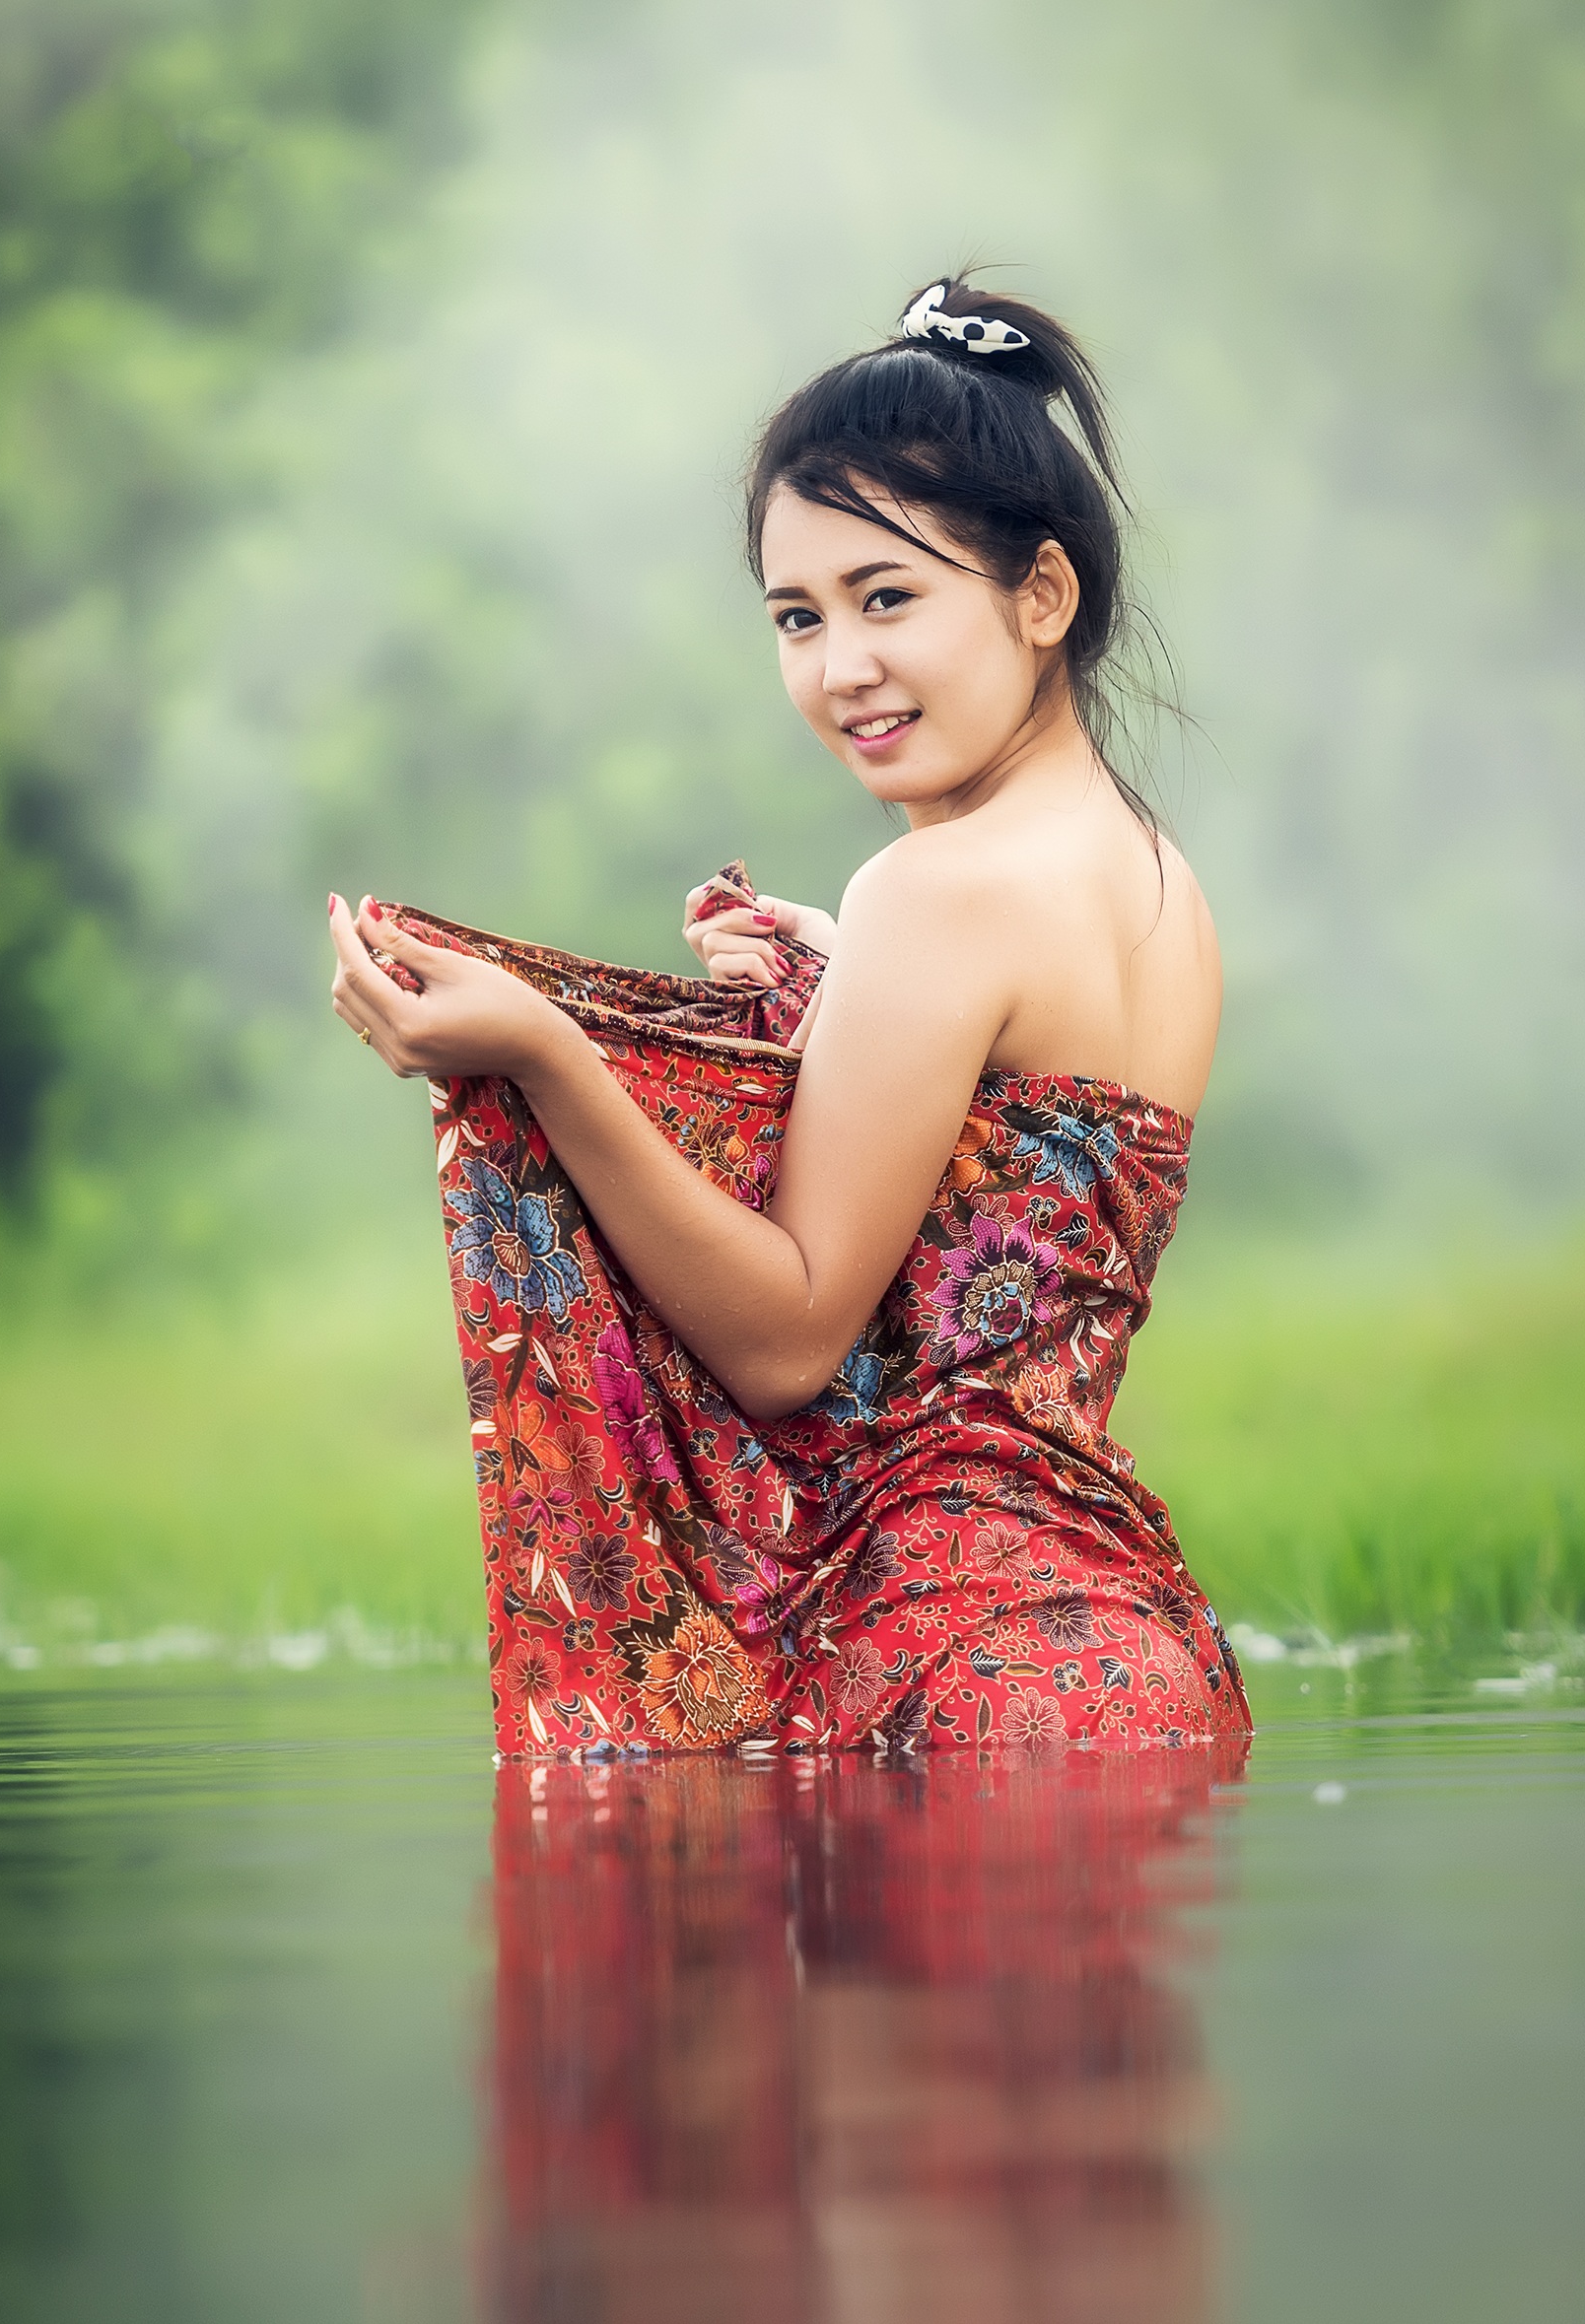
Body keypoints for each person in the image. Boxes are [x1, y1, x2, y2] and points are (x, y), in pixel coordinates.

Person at [324, 277, 1248, 1757]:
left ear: (1043, 595)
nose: (840, 670)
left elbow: (787, 1339)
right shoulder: (1155, 881)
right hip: (1134, 1661)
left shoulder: (934, 891)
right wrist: (840, 980)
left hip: (954, 1660)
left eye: (889, 599)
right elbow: (1016, 1161)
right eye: (797, 617)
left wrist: (545, 1054)